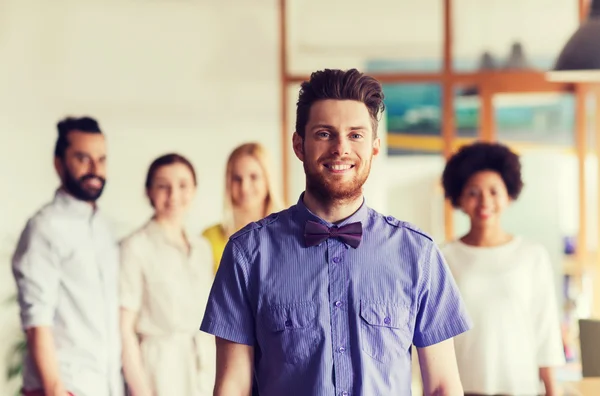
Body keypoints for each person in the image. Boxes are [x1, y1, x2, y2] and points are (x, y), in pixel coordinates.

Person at [200, 68, 472, 396]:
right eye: (325, 133)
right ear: (299, 145)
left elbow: (443, 386)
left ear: (373, 147)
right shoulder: (247, 254)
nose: (340, 148)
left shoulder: (418, 254)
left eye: (355, 135)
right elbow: (232, 386)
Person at [440, 142, 565, 396]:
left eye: (494, 191)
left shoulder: (532, 255)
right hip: (463, 388)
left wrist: (553, 389)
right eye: (473, 192)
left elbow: (546, 331)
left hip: (521, 388)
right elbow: (437, 335)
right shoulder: (443, 257)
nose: (484, 201)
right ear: (460, 199)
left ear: (508, 196)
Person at [11, 117, 123, 396]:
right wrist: (54, 388)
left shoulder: (106, 228)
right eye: (83, 158)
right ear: (58, 163)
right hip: (65, 387)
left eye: (101, 159)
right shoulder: (43, 228)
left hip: (106, 386)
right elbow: (37, 320)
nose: (95, 169)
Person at [119, 154, 215, 396]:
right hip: (159, 372)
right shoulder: (135, 247)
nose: (173, 195)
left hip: (202, 369)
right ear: (149, 191)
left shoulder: (201, 247)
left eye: (182, 185)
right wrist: (141, 390)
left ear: (193, 190)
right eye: (163, 186)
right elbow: (124, 329)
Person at [202, 142, 283, 273]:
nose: (244, 187)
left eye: (254, 177)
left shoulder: (289, 234)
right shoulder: (208, 239)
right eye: (237, 179)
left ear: (268, 180)